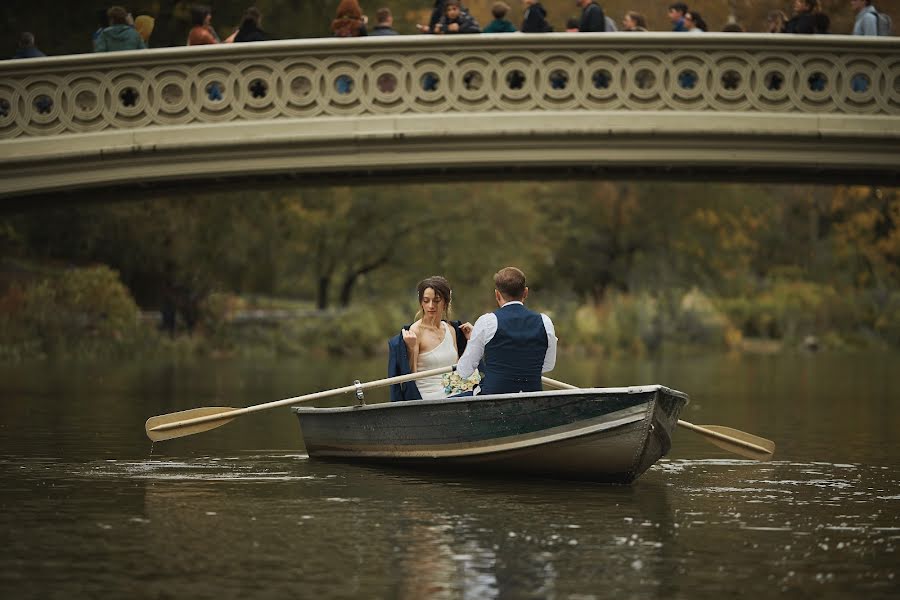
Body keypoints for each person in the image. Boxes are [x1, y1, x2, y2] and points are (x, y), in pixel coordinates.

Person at [456, 267, 557, 396]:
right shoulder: (545, 321)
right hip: (533, 400)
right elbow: (548, 365)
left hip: (492, 401)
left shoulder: (486, 322)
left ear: (497, 294)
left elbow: (464, 371)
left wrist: (471, 340)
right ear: (525, 292)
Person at [387, 276, 475, 401]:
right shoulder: (415, 331)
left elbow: (460, 367)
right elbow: (410, 378)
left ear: (445, 302)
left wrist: (471, 340)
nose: (430, 305)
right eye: (426, 300)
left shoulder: (451, 329)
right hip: (429, 396)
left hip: (456, 392)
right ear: (421, 302)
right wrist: (411, 348)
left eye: (436, 300)